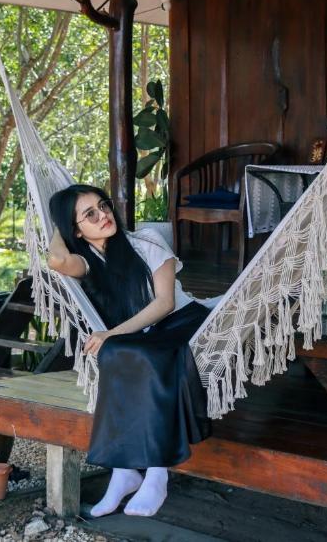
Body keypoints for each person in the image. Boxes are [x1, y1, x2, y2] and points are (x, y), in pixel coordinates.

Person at [46, 184, 212, 518]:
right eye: (89, 214)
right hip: (142, 335)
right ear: (76, 229)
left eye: (103, 206)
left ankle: (156, 473)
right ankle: (123, 472)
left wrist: (112, 333)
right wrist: (58, 220)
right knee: (113, 355)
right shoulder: (88, 261)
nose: (103, 215)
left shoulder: (146, 241)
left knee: (136, 354)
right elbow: (57, 260)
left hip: (183, 323)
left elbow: (164, 304)